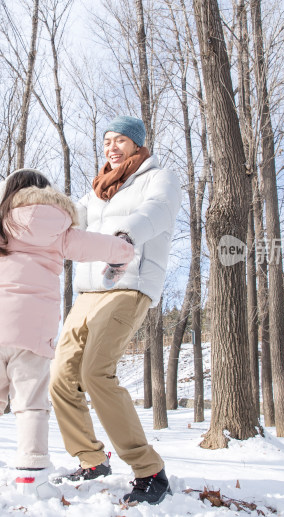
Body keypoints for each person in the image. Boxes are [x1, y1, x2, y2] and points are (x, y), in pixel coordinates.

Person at [0, 168, 135, 497]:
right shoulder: (60, 227)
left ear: (5, 196)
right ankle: (32, 474)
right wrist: (124, 251)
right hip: (34, 334)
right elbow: (107, 248)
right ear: (46, 193)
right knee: (31, 406)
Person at [49, 116, 181, 505]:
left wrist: (126, 237)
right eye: (106, 141)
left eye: (120, 140)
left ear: (137, 145)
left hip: (129, 283)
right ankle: (92, 459)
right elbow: (70, 217)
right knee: (61, 376)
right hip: (88, 292)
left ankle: (149, 470)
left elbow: (158, 211)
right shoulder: (97, 192)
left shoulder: (159, 177)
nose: (111, 147)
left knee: (95, 372)